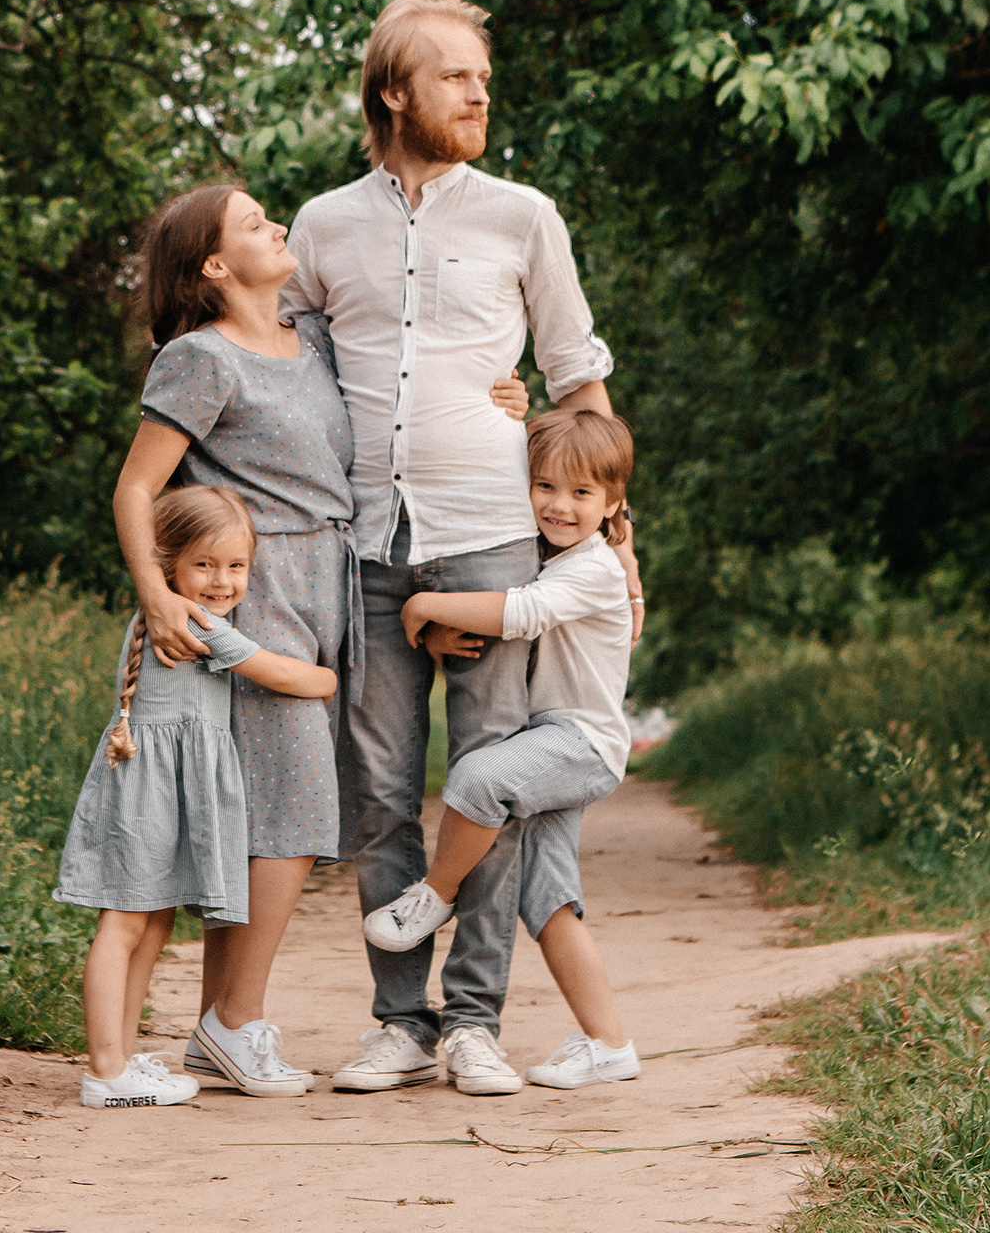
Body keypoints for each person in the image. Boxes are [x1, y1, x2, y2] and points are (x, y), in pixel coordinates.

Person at [283, 0, 644, 1098]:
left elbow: (579, 376)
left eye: (483, 75)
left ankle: (475, 1023)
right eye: (455, 76)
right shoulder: (320, 225)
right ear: (394, 92)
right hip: (364, 541)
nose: (480, 92)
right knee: (383, 790)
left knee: (487, 784)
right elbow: (284, 367)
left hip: (493, 537)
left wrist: (620, 535)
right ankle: (401, 1017)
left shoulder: (524, 215)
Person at [112, 183, 529, 1098]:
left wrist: (502, 392)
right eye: (256, 223)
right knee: (291, 817)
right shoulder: (199, 359)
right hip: (252, 591)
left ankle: (220, 1024)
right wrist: (159, 597)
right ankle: (236, 1022)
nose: (278, 226)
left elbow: (406, 391)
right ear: (215, 266)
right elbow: (137, 488)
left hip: (335, 584)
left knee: (273, 813)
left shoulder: (318, 342)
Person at [363, 408, 642, 1090]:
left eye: (581, 493)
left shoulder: (597, 569)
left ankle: (435, 893)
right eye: (544, 485)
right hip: (549, 744)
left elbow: (521, 613)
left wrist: (420, 607)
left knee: (478, 778)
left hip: (579, 742)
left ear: (612, 504)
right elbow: (500, 612)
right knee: (546, 897)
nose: (559, 504)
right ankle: (608, 1043)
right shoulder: (544, 555)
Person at [53, 485, 338, 1110]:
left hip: (159, 781)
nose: (222, 580)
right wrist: (332, 674)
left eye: (236, 566)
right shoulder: (195, 623)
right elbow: (308, 679)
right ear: (167, 562)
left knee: (150, 925)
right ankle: (104, 1069)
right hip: (148, 785)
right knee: (125, 923)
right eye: (204, 564)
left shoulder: (184, 614)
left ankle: (120, 1061)